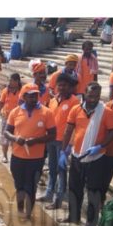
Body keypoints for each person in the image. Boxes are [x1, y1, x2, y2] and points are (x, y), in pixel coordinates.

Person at [59, 82, 113, 226]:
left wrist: (101, 146)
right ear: (85, 93)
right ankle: (73, 216)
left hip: (96, 158)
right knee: (74, 188)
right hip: (77, 156)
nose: (93, 99)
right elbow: (68, 130)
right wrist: (63, 151)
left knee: (93, 191)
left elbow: (112, 132)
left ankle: (91, 225)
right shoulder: (76, 110)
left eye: (97, 96)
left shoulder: (106, 112)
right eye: (91, 95)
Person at [4, 84, 56, 220]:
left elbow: (52, 135)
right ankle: (20, 210)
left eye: (36, 95)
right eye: (30, 95)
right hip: (17, 156)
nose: (34, 98)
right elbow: (6, 131)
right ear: (24, 96)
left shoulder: (47, 112)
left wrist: (37, 140)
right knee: (19, 185)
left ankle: (28, 215)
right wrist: (15, 138)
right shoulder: (15, 112)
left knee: (31, 187)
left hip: (36, 158)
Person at [41, 73, 79, 209]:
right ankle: (49, 194)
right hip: (51, 140)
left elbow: (75, 125)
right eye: (59, 85)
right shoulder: (52, 100)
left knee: (61, 170)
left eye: (65, 85)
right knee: (52, 169)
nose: (62, 88)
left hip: (63, 142)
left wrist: (69, 145)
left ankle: (58, 199)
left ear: (70, 87)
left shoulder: (74, 102)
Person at [0, 73, 22, 163]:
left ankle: (15, 156)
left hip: (18, 119)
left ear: (17, 81)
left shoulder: (22, 91)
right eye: (9, 80)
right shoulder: (6, 91)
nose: (9, 82)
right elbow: (1, 103)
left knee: (15, 138)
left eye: (11, 80)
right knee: (4, 137)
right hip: (6, 118)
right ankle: (5, 156)